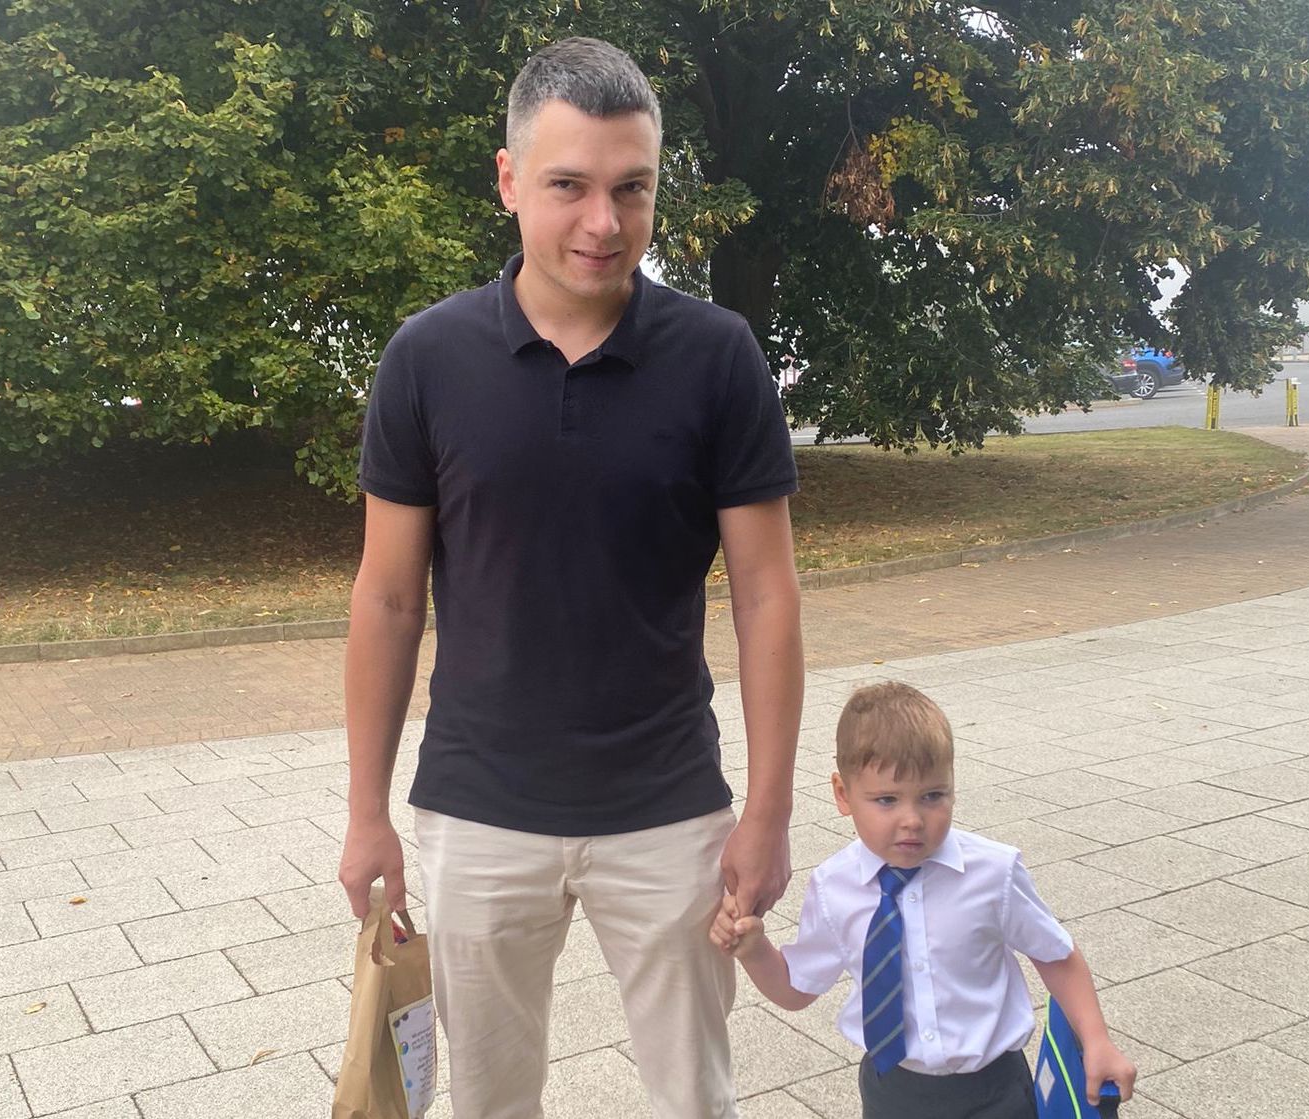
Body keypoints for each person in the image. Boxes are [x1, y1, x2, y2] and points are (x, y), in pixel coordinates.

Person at [337, 35, 804, 1119]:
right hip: (477, 809)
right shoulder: (426, 359)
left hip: (669, 809)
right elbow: (388, 598)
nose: (604, 223)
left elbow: (767, 593)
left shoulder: (719, 356)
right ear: (509, 183)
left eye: (631, 189)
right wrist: (367, 812)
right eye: (569, 187)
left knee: (695, 1098)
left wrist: (768, 815)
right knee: (490, 1102)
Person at [711, 682, 1135, 1119]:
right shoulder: (834, 887)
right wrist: (753, 949)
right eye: (886, 800)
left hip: (994, 1089)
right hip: (893, 1090)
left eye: (933, 796)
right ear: (843, 794)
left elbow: (1056, 956)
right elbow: (795, 989)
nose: (911, 820)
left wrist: (1097, 1040)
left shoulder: (993, 873)